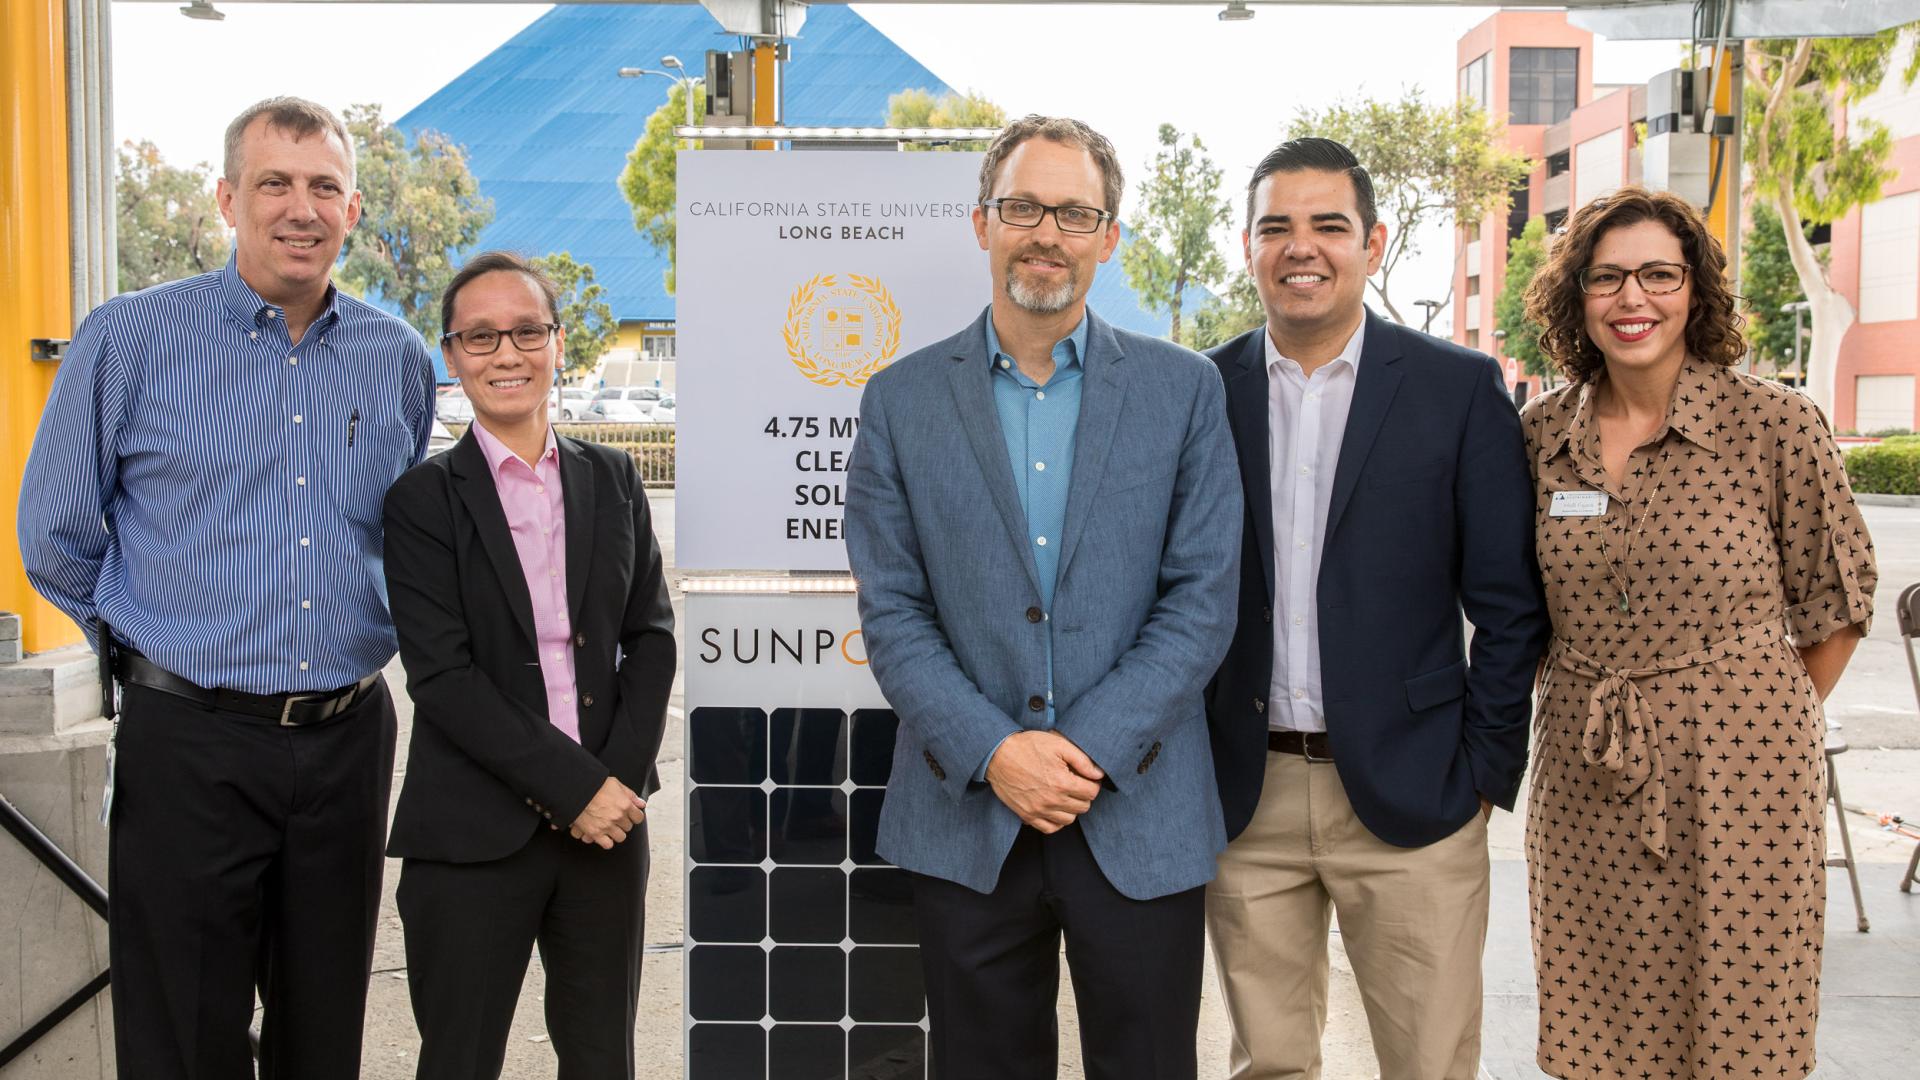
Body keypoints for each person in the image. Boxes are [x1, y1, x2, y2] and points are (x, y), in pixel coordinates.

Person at [17, 97, 435, 1078]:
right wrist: (147, 651)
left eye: (323, 186)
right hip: (188, 741)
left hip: (345, 739)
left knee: (322, 1026)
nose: (301, 207)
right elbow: (57, 535)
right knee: (183, 1031)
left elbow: (394, 538)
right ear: (227, 198)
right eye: (274, 183)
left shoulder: (398, 360)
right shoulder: (129, 340)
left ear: (353, 208)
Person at [843, 115, 1241, 1080]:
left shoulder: (1183, 390)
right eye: (1024, 207)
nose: (1047, 234)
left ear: (1110, 237)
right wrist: (996, 753)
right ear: (982, 222)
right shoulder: (898, 400)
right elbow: (892, 611)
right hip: (967, 815)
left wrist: (1084, 751)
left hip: (1138, 810)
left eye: (1074, 212)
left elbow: (1202, 599)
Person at [1201, 137, 1549, 1080]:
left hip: (1419, 791)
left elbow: (1510, 605)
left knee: (1429, 1062)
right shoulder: (1200, 391)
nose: (1300, 247)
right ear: (1247, 245)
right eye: (1276, 226)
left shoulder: (1457, 389)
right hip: (1247, 793)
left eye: (1328, 225)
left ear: (1375, 242)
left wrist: (1483, 767)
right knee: (1266, 1064)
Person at [1518, 186, 1875, 1080]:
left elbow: (1836, 607)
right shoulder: (1536, 436)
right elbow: (1513, 606)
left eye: (1657, 276)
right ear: (1577, 297)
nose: (1632, 299)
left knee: (1741, 1015)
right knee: (1597, 1009)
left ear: (1696, 291)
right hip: (1586, 766)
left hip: (1746, 772)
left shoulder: (1774, 424)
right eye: (1607, 278)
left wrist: (1741, 709)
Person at [382, 251, 675, 1079]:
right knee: (460, 1059)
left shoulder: (611, 477)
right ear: (451, 355)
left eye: (525, 331)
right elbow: (441, 677)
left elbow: (650, 637)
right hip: (473, 833)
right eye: (480, 337)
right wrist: (571, 789)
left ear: (556, 342)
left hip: (606, 831)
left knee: (600, 1058)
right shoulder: (421, 502)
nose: (505, 354)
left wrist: (612, 785)